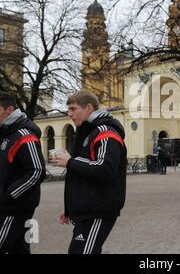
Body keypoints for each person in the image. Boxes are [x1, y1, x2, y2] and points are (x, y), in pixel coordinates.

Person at [52, 90, 127, 254]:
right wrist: (71, 207)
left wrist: (70, 162)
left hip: (99, 211)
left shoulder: (105, 132)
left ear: (88, 107)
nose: (69, 114)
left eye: (73, 109)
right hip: (88, 211)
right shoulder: (90, 131)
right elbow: (83, 174)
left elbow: (105, 168)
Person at [0, 92, 46, 254]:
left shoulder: (24, 135)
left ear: (9, 110)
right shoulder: (6, 132)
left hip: (12, 209)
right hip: (8, 208)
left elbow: (37, 171)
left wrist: (8, 196)